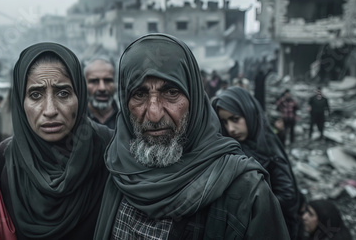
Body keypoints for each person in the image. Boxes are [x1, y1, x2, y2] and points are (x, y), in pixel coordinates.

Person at [94, 33, 289, 239]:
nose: (153, 113)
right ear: (125, 105)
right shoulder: (117, 168)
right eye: (139, 94)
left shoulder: (245, 192)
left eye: (171, 92)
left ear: (194, 98)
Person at [0, 42, 113, 239]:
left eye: (63, 93)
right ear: (20, 103)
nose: (50, 110)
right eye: (35, 95)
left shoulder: (108, 148)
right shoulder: (5, 159)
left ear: (79, 95)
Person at [212, 86, 300, 239]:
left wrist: (249, 206)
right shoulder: (232, 146)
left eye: (235, 119)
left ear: (248, 112)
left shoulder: (267, 144)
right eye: (224, 122)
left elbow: (287, 195)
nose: (231, 128)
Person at [83, 56, 118, 129]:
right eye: (94, 81)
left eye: (108, 80)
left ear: (115, 83)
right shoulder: (75, 119)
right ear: (83, 84)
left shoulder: (127, 119)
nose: (102, 88)